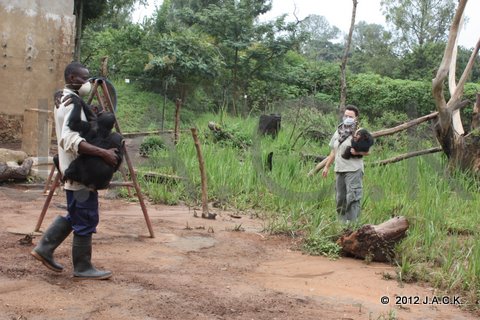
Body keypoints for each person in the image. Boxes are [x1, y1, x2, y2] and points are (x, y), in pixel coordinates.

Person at [31, 62, 118, 280]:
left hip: (75, 172)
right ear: (70, 76)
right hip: (80, 173)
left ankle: (45, 248)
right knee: (86, 215)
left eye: (87, 78)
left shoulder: (66, 97)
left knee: (77, 213)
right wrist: (103, 153)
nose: (85, 82)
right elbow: (70, 139)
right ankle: (82, 267)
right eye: (81, 78)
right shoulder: (69, 102)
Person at [322, 105, 370, 223]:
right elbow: (333, 151)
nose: (348, 118)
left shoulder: (360, 132)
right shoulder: (338, 131)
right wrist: (327, 166)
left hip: (353, 169)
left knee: (353, 197)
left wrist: (357, 151)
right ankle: (341, 224)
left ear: (356, 118)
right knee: (340, 198)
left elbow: (368, 151)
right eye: (346, 115)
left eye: (351, 116)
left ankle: (354, 225)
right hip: (339, 169)